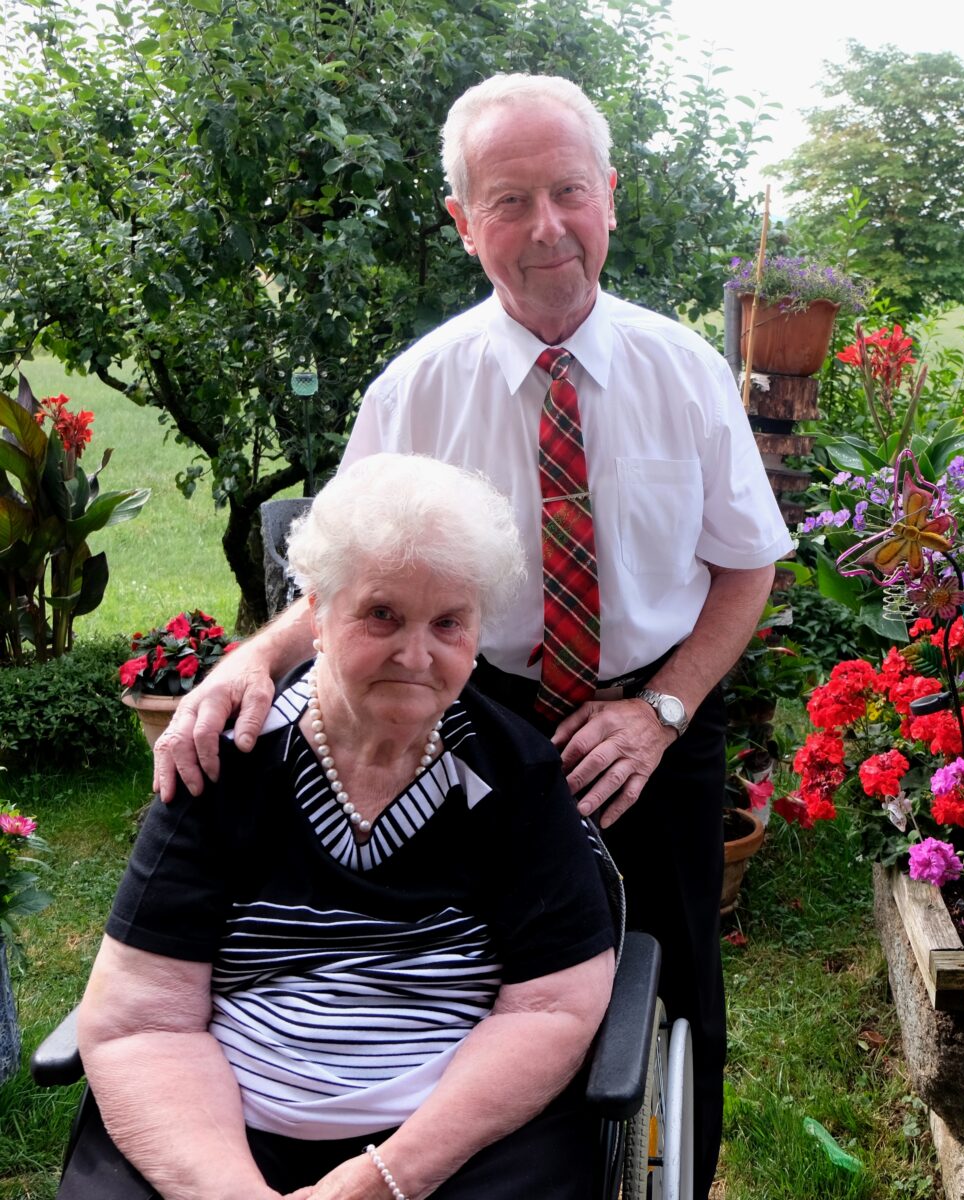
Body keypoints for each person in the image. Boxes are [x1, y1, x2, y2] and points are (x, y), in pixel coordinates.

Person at [154, 73, 791, 1198]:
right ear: (462, 222)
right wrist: (248, 661)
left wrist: (659, 714)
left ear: (610, 198)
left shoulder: (685, 373)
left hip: (655, 712)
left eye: (567, 193)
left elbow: (746, 566)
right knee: (486, 983)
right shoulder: (415, 389)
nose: (545, 229)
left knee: (680, 984)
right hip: (468, 718)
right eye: (507, 201)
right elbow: (344, 580)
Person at [73, 453, 616, 1200]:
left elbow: (551, 1005)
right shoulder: (227, 756)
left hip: (450, 1137)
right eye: (382, 614)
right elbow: (143, 1020)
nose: (416, 655)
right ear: (318, 612)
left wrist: (386, 1178)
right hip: (221, 1124)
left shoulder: (513, 775)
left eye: (448, 623)